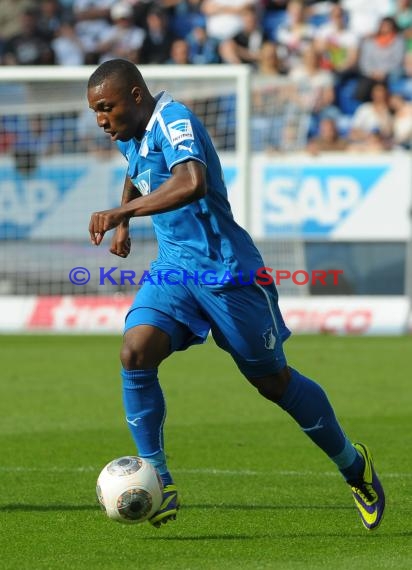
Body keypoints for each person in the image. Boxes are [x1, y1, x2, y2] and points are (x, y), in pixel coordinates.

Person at [87, 58, 385, 530]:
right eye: (96, 112)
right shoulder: (131, 132)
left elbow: (191, 182)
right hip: (174, 270)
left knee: (273, 383)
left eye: (106, 108)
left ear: (136, 96)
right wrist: (123, 217)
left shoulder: (174, 119)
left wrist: (121, 212)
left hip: (229, 274)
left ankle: (355, 467)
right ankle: (160, 482)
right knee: (135, 352)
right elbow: (134, 161)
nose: (101, 120)